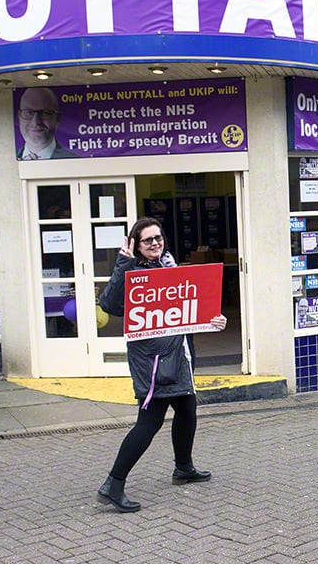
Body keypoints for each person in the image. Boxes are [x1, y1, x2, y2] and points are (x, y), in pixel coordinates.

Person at [96, 218, 227, 513]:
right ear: (135, 245)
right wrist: (122, 264)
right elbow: (109, 304)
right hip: (153, 363)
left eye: (158, 238)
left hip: (178, 355)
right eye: (147, 240)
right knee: (150, 421)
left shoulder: (169, 268)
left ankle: (183, 468)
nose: (155, 243)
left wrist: (214, 319)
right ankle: (113, 485)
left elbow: (190, 309)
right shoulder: (133, 271)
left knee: (187, 410)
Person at [16, 88, 76, 160]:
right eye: (29, 112)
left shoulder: (75, 161)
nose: (35, 122)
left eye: (45, 113)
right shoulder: (6, 160)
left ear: (57, 119)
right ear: (19, 116)